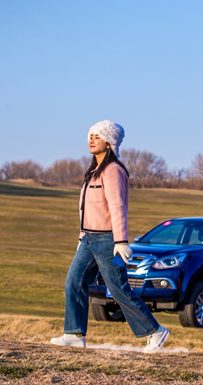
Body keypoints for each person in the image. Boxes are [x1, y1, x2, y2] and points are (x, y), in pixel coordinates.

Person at [50, 120, 170, 353]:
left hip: (108, 241)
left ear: (109, 142)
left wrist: (121, 241)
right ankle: (73, 334)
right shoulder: (93, 171)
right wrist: (81, 235)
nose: (91, 140)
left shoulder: (113, 170)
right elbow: (87, 208)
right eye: (90, 135)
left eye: (98, 136)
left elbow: (117, 206)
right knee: (74, 282)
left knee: (118, 289)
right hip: (88, 240)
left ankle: (155, 331)